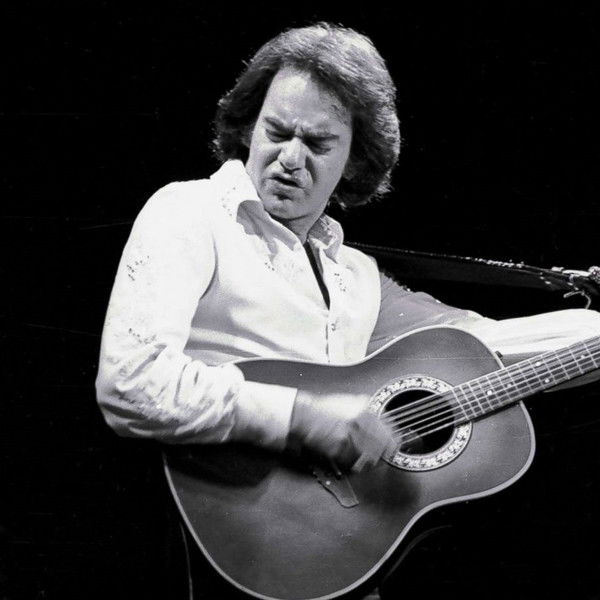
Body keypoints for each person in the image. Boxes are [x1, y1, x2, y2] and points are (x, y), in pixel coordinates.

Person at [95, 22, 600, 599]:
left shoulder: (355, 275)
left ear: (355, 161)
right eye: (276, 132)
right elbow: (131, 382)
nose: (289, 158)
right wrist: (305, 417)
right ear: (248, 127)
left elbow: (489, 344)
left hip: (338, 555)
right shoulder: (190, 212)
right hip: (224, 543)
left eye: (317, 144)